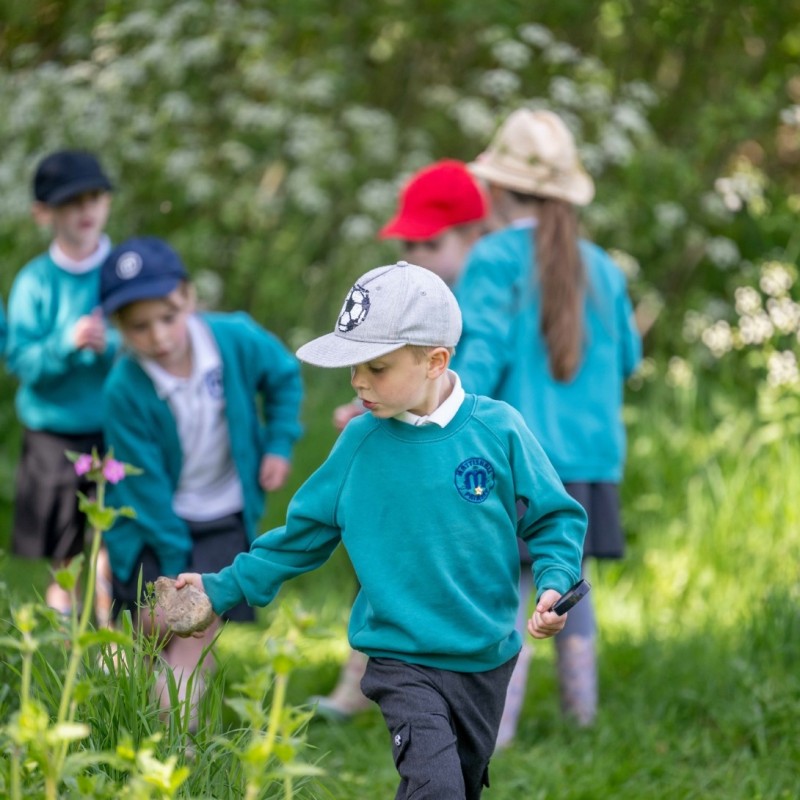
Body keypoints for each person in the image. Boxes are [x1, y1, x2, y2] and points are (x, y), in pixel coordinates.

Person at [174, 260, 587, 799]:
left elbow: (555, 516)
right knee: (434, 788)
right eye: (353, 368)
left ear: (435, 360)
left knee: (459, 784)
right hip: (401, 655)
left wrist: (555, 580)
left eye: (377, 367)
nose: (359, 383)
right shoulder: (359, 443)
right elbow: (303, 533)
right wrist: (221, 589)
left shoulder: (499, 430)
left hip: (487, 654)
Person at [452, 108, 643, 744]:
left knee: (510, 593)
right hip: (590, 461)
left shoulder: (493, 257)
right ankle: (581, 721)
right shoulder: (605, 267)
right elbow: (630, 360)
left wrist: (440, 413)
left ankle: (493, 737)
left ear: (497, 190)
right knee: (566, 585)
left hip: (521, 461)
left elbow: (479, 355)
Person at [98, 236, 303, 722]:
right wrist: (174, 571)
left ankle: (178, 744)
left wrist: (278, 443)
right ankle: (117, 678)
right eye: (139, 327)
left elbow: (283, 376)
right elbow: (143, 487)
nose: (159, 337)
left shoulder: (233, 339)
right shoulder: (124, 388)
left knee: (197, 628)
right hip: (156, 523)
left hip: (222, 512)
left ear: (188, 298)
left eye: (167, 318)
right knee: (149, 623)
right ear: (119, 328)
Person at [317, 159, 491, 720]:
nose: (415, 258)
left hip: (461, 468)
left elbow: (476, 381)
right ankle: (360, 685)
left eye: (429, 243)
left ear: (473, 236)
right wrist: (369, 406)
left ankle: (444, 700)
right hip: (405, 454)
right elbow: (392, 375)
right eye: (408, 244)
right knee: (379, 564)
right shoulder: (408, 305)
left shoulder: (481, 301)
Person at [6, 149, 118, 623]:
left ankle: (112, 642)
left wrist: (107, 344)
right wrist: (66, 343)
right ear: (43, 213)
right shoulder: (35, 282)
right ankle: (62, 648)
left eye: (94, 197)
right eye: (71, 202)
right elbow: (20, 360)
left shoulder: (123, 271)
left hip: (116, 430)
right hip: (55, 436)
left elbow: (151, 343)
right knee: (65, 555)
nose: (85, 211)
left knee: (113, 544)